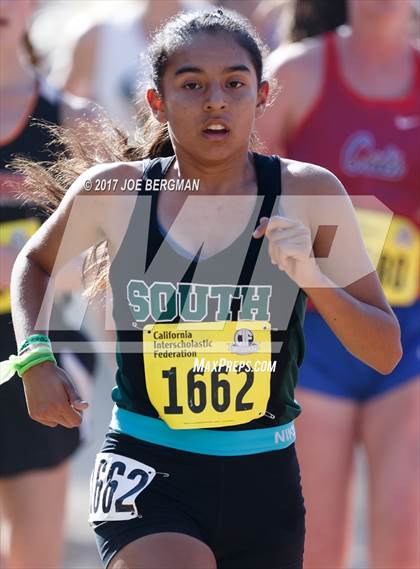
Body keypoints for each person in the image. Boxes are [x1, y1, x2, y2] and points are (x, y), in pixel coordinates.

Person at [7, 9, 401, 569]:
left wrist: (314, 278)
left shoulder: (311, 192)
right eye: (191, 85)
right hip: (147, 470)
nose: (215, 100)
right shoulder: (117, 194)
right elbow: (35, 263)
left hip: (264, 479)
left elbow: (384, 351)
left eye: (234, 84)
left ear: (262, 96)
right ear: (157, 103)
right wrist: (34, 358)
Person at [258, 1, 419, 567]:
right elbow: (239, 187)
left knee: (405, 536)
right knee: (316, 543)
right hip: (310, 334)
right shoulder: (295, 73)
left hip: (408, 332)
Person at [0, 1, 97, 566]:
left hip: (38, 348)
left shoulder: (73, 121)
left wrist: (31, 265)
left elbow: (113, 257)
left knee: (34, 555)